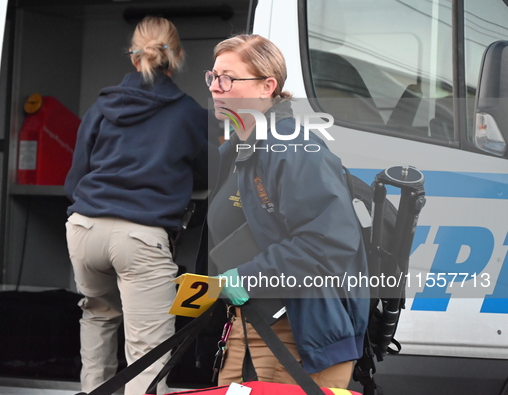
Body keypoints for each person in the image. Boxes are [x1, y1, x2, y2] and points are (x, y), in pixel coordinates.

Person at [205, 34, 370, 389]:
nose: (217, 88)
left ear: (267, 86)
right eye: (213, 77)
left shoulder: (294, 149)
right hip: (248, 326)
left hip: (299, 336)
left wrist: (249, 276)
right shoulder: (236, 151)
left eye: (228, 78)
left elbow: (329, 242)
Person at [64, 16, 209, 395]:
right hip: (140, 237)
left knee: (98, 316)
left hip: (84, 230)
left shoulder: (100, 107)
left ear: (133, 57)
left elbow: (74, 178)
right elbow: (210, 175)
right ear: (176, 58)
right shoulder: (189, 114)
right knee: (147, 350)